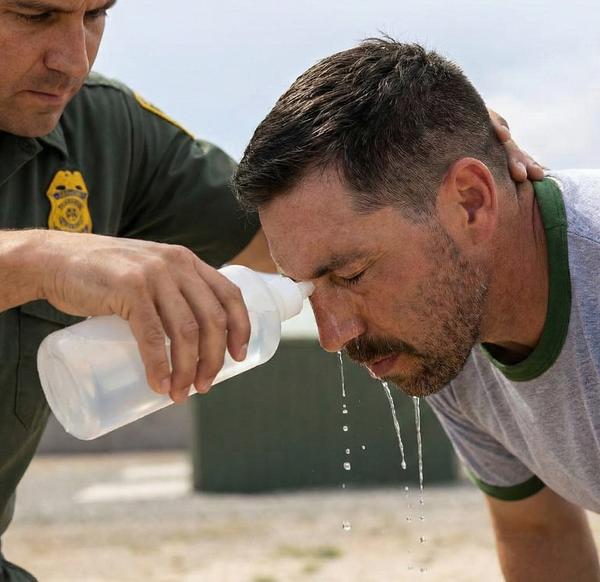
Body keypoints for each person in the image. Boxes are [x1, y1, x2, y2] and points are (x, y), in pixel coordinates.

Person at [0, 0, 540, 578]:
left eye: (96, 15)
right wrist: (35, 261)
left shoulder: (105, 133)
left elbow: (309, 233)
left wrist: (426, 154)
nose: (73, 58)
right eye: (34, 15)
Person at [231, 38, 600, 581]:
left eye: (351, 274)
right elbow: (537, 531)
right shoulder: (444, 335)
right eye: (308, 290)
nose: (334, 336)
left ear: (471, 201)